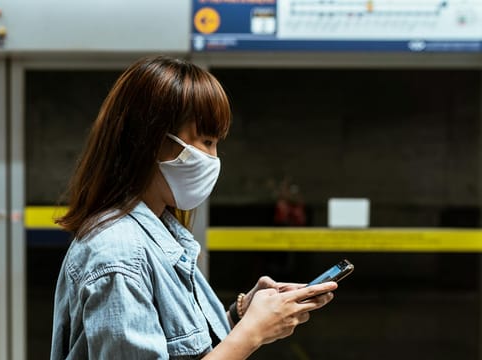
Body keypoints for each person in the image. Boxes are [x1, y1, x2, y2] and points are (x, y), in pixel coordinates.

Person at [50, 55, 337, 359]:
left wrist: (240, 316)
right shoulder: (120, 253)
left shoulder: (161, 233)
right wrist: (252, 333)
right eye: (206, 140)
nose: (213, 158)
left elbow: (183, 347)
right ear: (152, 141)